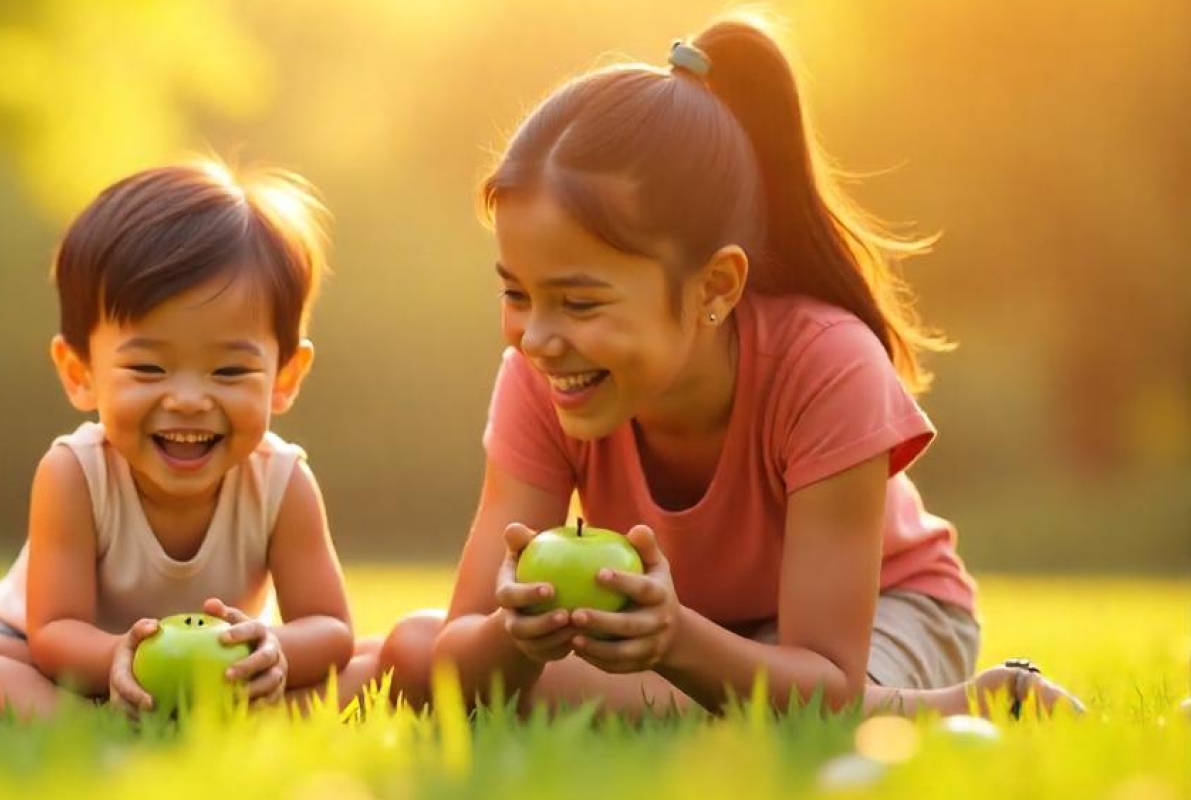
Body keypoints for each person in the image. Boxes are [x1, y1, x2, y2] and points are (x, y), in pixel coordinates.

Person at [375, 14, 1081, 718]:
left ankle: (924, 710)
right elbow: (455, 653)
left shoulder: (828, 366)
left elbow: (828, 678)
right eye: (517, 294)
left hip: (885, 617)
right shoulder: (545, 374)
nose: (538, 338)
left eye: (580, 303)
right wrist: (513, 636)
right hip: (684, 635)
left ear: (714, 288)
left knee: (807, 714)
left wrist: (676, 640)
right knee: (413, 651)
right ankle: (910, 709)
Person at [0, 160, 370, 718]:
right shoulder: (75, 472)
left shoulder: (282, 482)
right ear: (80, 371)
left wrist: (275, 649)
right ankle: (93, 723)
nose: (187, 399)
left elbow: (330, 629)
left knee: (391, 660)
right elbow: (54, 632)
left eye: (229, 372)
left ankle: (176, 718)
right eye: (149, 369)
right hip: (46, 658)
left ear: (285, 377)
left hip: (205, 668)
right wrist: (118, 662)